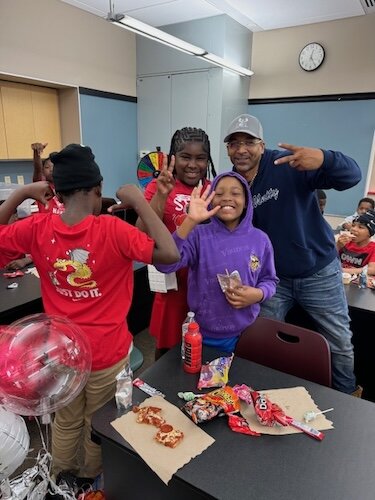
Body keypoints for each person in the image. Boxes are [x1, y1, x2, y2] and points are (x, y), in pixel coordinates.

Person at [0, 144, 179, 482]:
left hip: (60, 354)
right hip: (107, 354)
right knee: (99, 421)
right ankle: (91, 479)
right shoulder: (114, 231)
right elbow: (169, 253)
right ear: (98, 189)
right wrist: (139, 199)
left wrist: (21, 192)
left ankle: (60, 476)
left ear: (59, 192)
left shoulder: (37, 228)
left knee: (66, 420)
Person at [225, 113, 362, 395]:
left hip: (318, 271)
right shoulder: (231, 184)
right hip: (273, 280)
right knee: (263, 338)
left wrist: (325, 158)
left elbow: (352, 176)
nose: (241, 149)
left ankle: (347, 398)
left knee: (339, 343)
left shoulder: (287, 165)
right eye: (234, 143)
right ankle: (269, 396)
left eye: (248, 142)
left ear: (261, 145)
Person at [155, 171, 278, 352]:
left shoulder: (260, 240)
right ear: (211, 200)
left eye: (235, 193)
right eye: (219, 194)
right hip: (204, 336)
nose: (227, 198)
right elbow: (165, 265)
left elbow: (270, 281)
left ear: (246, 202)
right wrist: (190, 221)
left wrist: (258, 294)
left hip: (248, 333)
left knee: (241, 379)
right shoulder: (198, 235)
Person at [137, 127, 216, 359]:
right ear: (173, 158)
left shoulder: (213, 189)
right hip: (171, 281)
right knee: (167, 344)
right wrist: (162, 194)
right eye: (185, 157)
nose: (193, 165)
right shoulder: (158, 186)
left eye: (200, 158)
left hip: (204, 280)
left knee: (201, 343)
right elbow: (141, 232)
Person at [337, 209, 375, 276]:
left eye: (360, 227)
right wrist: (337, 246)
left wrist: (344, 271)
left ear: (370, 233)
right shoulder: (345, 242)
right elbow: (328, 259)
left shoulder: (373, 248)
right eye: (353, 225)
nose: (353, 229)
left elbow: (372, 269)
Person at [31, 142, 65, 214]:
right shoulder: (41, 185)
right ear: (43, 171)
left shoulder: (67, 185)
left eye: (54, 166)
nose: (51, 169)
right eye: (47, 167)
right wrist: (37, 153)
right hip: (46, 223)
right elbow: (37, 170)